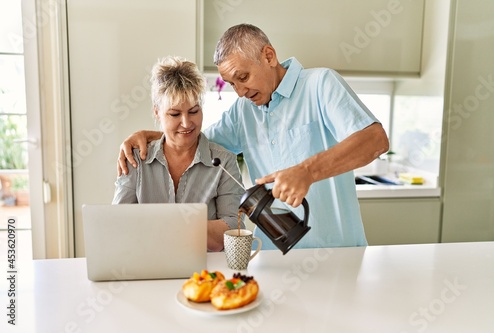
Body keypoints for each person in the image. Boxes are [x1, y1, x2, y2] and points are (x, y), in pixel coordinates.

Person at [117, 24, 389, 250]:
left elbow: (375, 141)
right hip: (272, 259)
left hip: (336, 253)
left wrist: (306, 171)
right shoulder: (243, 111)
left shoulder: (320, 85)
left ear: (269, 56)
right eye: (232, 84)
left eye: (243, 77)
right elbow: (196, 140)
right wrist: (153, 133)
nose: (240, 91)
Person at [112, 56, 245, 252]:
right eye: (174, 114)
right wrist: (195, 230)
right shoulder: (135, 159)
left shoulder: (223, 161)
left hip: (205, 275)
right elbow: (117, 226)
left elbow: (234, 231)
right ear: (157, 112)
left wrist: (157, 229)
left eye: (194, 111)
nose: (186, 123)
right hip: (146, 268)